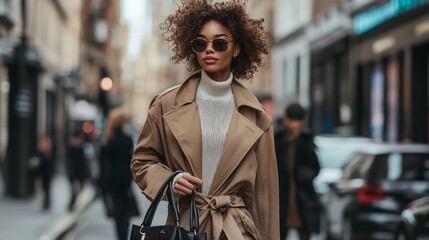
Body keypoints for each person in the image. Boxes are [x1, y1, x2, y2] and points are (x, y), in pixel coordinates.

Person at [131, 0, 279, 239]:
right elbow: (142, 161)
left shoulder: (257, 116)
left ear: (237, 49)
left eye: (219, 43)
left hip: (236, 231)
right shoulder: (166, 105)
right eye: (201, 43)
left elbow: (265, 199)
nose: (209, 50)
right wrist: (170, 180)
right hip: (186, 228)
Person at [275, 103, 320, 240]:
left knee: (305, 232)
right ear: (286, 120)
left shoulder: (306, 140)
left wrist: (304, 175)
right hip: (282, 195)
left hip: (302, 196)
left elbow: (316, 167)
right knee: (279, 232)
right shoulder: (278, 139)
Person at [99, 107, 139, 240]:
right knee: (125, 211)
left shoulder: (108, 140)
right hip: (125, 180)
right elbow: (131, 161)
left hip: (111, 181)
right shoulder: (127, 140)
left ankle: (119, 236)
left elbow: (103, 164)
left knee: (117, 211)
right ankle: (124, 236)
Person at [66, 130, 90, 211]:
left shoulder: (82, 149)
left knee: (78, 190)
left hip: (80, 173)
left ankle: (73, 204)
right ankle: (71, 204)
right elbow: (68, 162)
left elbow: (84, 162)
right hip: (73, 173)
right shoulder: (71, 149)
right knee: (74, 190)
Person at [36, 135, 54, 210]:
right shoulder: (40, 153)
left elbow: (49, 165)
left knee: (46, 188)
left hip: (47, 174)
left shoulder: (48, 154)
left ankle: (47, 203)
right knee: (44, 188)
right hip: (42, 173)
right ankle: (45, 202)